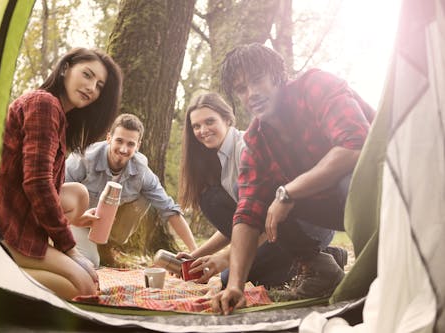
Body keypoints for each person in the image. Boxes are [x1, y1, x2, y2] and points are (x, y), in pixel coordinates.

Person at [212, 43, 375, 314]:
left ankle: (380, 272)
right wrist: (236, 286)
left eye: (256, 81)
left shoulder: (315, 86)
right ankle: (319, 268)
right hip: (328, 206)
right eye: (241, 89)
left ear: (276, 75)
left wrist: (288, 192)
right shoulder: (255, 141)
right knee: (253, 200)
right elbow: (246, 214)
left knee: (351, 179)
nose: (251, 94)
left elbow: (356, 145)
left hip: (386, 191)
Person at [0, 47, 123, 300]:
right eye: (87, 74)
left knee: (77, 193)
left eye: (99, 86)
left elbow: (44, 186)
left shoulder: (58, 115)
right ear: (65, 68)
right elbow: (37, 183)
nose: (91, 88)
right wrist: (70, 248)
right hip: (4, 224)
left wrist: (72, 224)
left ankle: (35, 261)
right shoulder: (44, 104)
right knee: (83, 289)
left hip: (20, 212)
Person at [177, 92, 296, 287]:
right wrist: (195, 256)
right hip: (266, 230)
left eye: (209, 121)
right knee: (210, 198)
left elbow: (274, 218)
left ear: (227, 119)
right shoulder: (221, 162)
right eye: (196, 126)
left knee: (229, 276)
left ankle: (315, 257)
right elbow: (238, 222)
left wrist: (226, 257)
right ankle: (306, 258)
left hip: (291, 225)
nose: (203, 130)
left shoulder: (245, 149)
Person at [65, 113, 198, 268]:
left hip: (112, 227)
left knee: (146, 196)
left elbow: (169, 209)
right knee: (90, 263)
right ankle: (80, 245)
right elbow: (55, 195)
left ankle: (109, 242)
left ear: (138, 146)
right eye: (119, 141)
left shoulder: (141, 171)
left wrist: (195, 252)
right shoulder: (83, 159)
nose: (123, 149)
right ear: (109, 138)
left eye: (130, 144)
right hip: (77, 221)